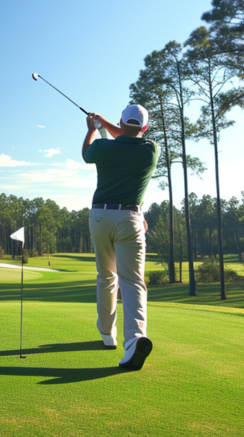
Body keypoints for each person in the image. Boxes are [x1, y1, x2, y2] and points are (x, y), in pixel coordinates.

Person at [81, 104, 159, 371]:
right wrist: (105, 125)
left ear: (120, 121)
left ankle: (106, 334)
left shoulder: (103, 148)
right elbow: (126, 136)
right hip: (130, 219)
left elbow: (86, 154)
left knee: (106, 276)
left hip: (100, 217)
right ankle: (134, 339)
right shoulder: (151, 150)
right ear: (145, 128)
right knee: (132, 281)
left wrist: (93, 129)